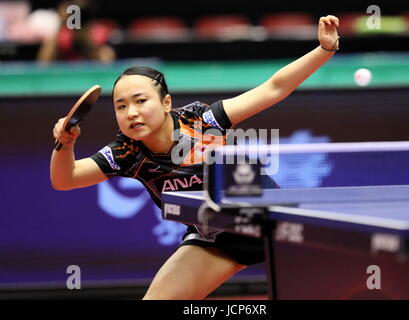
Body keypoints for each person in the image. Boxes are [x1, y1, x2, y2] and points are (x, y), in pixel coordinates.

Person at [50, 15, 340, 299]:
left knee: (340, 288)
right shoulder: (125, 152)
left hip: (272, 227)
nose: (132, 113)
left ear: (166, 103)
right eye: (121, 106)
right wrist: (64, 144)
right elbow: (65, 180)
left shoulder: (202, 120)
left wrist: (324, 50)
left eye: (140, 101)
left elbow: (274, 87)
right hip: (214, 239)